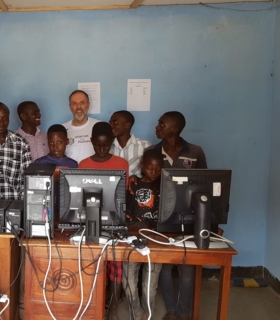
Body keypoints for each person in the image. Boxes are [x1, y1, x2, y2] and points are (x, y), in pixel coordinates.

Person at [151, 111, 207, 320]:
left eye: (161, 124)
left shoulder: (195, 152)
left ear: (174, 129)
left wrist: (210, 222)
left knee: (187, 271)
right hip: (162, 220)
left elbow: (205, 186)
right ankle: (171, 311)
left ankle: (184, 313)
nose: (157, 127)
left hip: (189, 219)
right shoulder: (153, 152)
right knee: (165, 269)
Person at [78, 122, 129, 313]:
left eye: (106, 145)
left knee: (116, 261)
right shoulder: (84, 164)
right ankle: (94, 300)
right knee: (92, 260)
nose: (101, 149)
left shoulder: (121, 164)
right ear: (91, 141)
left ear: (112, 142)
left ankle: (114, 304)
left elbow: (123, 196)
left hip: (115, 221)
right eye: (97, 145)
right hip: (90, 219)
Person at [123, 149, 164, 320]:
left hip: (157, 238)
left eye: (157, 169)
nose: (153, 173)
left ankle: (147, 314)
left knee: (150, 282)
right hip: (133, 236)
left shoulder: (166, 186)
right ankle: (136, 312)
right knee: (129, 280)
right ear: (142, 166)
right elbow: (124, 210)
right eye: (149, 168)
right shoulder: (133, 184)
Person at [109, 110, 150, 177]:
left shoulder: (144, 146)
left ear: (127, 125)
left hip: (137, 187)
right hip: (112, 186)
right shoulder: (107, 147)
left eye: (115, 123)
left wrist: (137, 179)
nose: (111, 126)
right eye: (110, 123)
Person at [62, 90, 100, 163]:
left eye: (82, 103)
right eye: (74, 103)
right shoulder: (62, 130)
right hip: (70, 173)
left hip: (95, 173)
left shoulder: (99, 126)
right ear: (70, 106)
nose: (78, 107)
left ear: (88, 105)